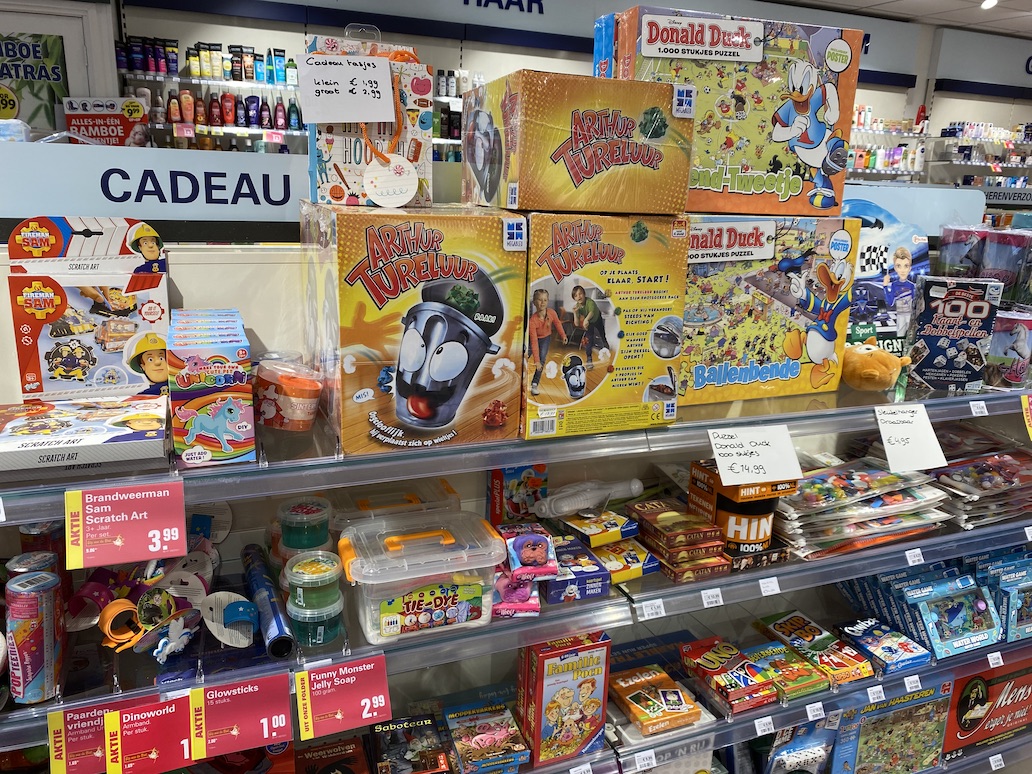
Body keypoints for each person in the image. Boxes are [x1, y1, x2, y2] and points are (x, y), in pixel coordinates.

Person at [527, 288, 567, 396]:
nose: (542, 302)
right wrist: (536, 360)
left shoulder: (552, 313)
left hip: (546, 338)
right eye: (539, 300)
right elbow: (534, 342)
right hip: (534, 339)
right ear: (534, 302)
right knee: (525, 356)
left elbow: (557, 323)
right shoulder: (532, 321)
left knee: (542, 360)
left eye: (545, 300)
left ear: (548, 301)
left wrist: (563, 335)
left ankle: (535, 384)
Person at [572, 285, 609, 370]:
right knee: (589, 339)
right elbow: (576, 324)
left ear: (584, 294)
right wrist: (575, 313)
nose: (578, 296)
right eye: (576, 295)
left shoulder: (590, 302)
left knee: (602, 334)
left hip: (597, 318)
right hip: (590, 323)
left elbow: (591, 312)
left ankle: (606, 348)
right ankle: (589, 359)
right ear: (574, 298)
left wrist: (586, 320)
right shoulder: (577, 306)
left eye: (580, 294)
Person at [883, 247, 917, 337]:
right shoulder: (894, 285)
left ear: (910, 268)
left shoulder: (911, 286)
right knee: (900, 336)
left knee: (911, 336)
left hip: (910, 315)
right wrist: (885, 286)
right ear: (895, 268)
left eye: (906, 266)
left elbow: (916, 303)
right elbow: (890, 302)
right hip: (900, 315)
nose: (902, 270)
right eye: (899, 266)